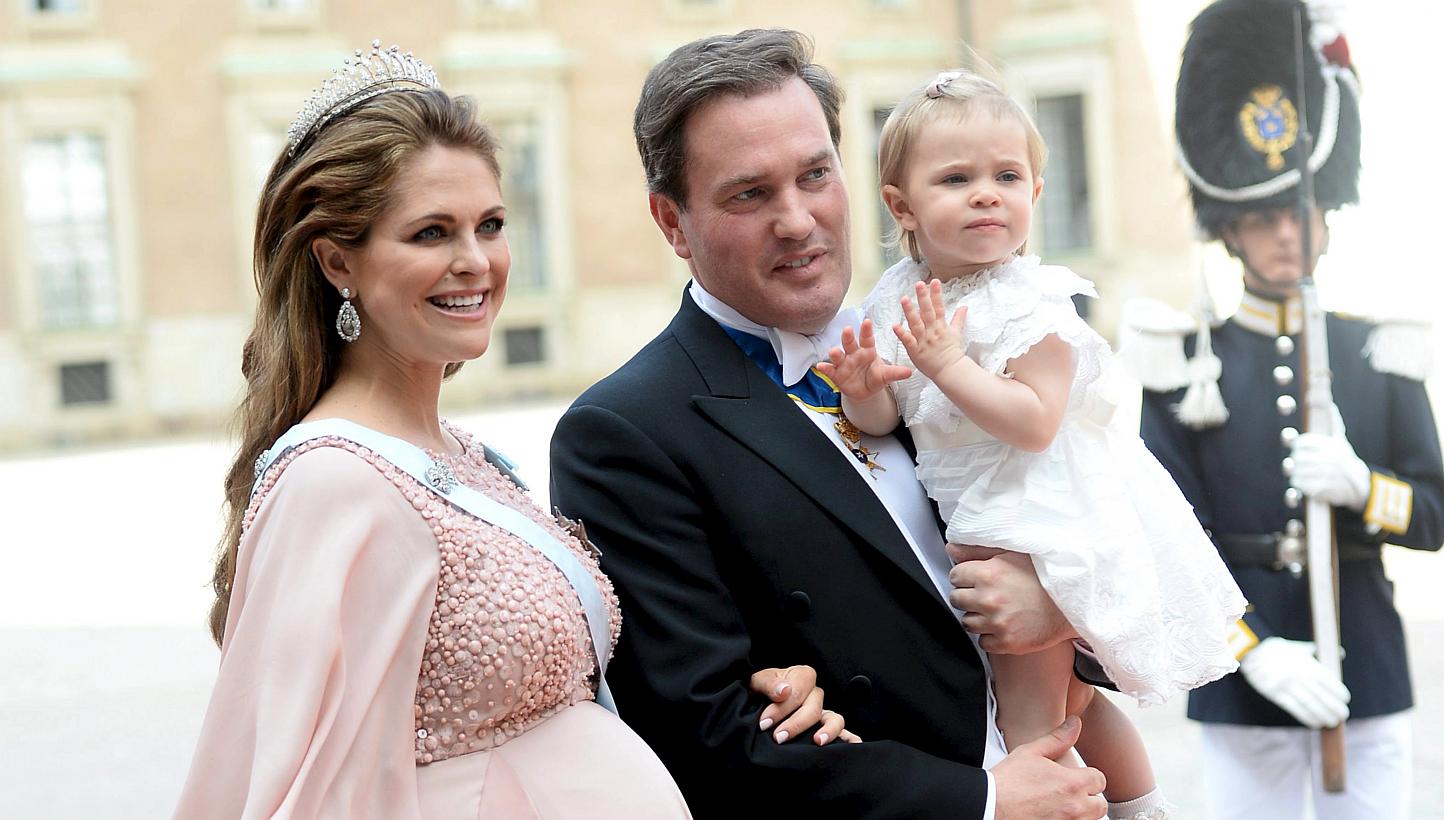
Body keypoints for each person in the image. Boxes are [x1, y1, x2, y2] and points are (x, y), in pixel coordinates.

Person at [173, 41, 851, 820]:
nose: (475, 261)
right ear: (337, 262)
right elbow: (311, 794)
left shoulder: (460, 456)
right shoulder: (334, 483)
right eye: (431, 232)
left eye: (489, 224)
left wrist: (769, 682)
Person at [550, 28, 1109, 820]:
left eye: (816, 175)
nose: (798, 219)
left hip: (1074, 786)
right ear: (672, 223)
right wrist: (981, 802)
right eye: (750, 194)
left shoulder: (946, 341)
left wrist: (1061, 609)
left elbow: (1110, 514)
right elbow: (703, 736)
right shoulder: (624, 431)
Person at [819, 68, 1248, 819]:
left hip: (1037, 518)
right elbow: (889, 419)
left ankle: (1091, 805)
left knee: (1026, 720)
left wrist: (947, 364)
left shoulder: (1030, 303)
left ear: (1036, 195)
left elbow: (1034, 420)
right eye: (957, 178)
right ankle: (1140, 806)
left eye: (1007, 175)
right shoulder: (899, 297)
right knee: (1074, 694)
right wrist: (864, 388)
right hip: (979, 511)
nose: (987, 192)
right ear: (901, 206)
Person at [1133, 1, 1444, 817]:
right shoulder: (1182, 359)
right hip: (1245, 680)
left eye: (1297, 213)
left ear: (1327, 219)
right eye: (1261, 218)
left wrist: (1362, 487)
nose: (1284, 235)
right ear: (1229, 231)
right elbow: (1167, 537)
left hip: (1366, 667)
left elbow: (1436, 513)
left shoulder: (1384, 350)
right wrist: (1254, 653)